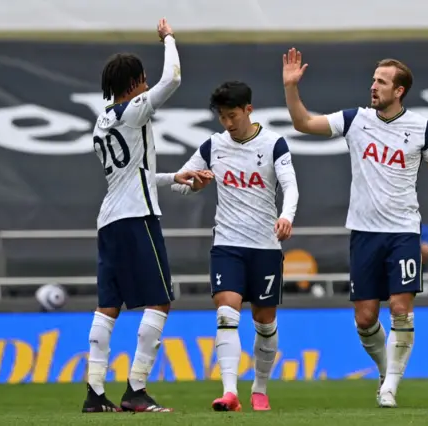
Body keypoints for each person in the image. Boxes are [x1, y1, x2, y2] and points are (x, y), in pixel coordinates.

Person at [282, 48, 428, 408]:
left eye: (382, 82)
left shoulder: (422, 129)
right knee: (365, 317)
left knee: (401, 308)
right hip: (364, 234)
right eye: (373, 80)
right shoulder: (355, 120)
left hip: (403, 233)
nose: (373, 86)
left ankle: (390, 389)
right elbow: (303, 123)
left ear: (399, 91)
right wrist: (291, 88)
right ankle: (387, 371)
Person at [82, 18, 209, 414]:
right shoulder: (134, 111)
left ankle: (95, 394)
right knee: (159, 301)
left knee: (108, 306)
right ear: (135, 82)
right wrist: (169, 37)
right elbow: (172, 78)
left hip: (110, 221)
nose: (147, 82)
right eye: (142, 78)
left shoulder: (100, 124)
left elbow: (133, 173)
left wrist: (175, 177)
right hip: (138, 218)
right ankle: (136, 389)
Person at [171, 81, 299, 412]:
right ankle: (230, 392)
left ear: (248, 110)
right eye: (222, 117)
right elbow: (182, 182)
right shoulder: (213, 147)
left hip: (265, 247)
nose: (227, 123)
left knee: (265, 322)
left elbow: (290, 187)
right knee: (226, 312)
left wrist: (286, 216)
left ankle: (259, 388)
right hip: (227, 244)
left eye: (232, 116)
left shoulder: (274, 144)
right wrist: (193, 185)